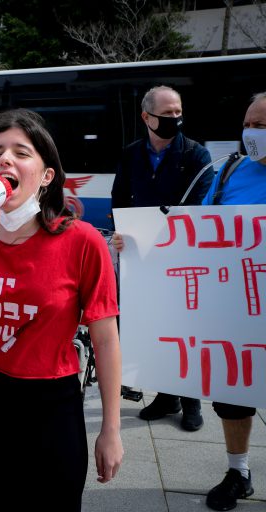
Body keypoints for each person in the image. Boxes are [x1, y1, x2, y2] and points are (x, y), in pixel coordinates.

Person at [0, 109, 123, 511]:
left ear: (46, 175)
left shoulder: (82, 242)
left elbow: (106, 340)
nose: (5, 159)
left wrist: (111, 429)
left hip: (52, 404)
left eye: (21, 152)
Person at [111, 85, 213, 432]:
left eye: (177, 112)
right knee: (155, 329)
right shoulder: (131, 154)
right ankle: (166, 395)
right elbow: (120, 197)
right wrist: (121, 231)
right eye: (166, 113)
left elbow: (200, 207)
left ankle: (191, 401)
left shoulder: (196, 155)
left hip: (183, 258)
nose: (174, 119)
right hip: (142, 257)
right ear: (146, 117)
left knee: (184, 329)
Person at [201, 92, 266, 511]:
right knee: (234, 395)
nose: (252, 133)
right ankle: (238, 470)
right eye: (249, 124)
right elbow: (197, 230)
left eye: (262, 126)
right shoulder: (229, 172)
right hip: (237, 308)